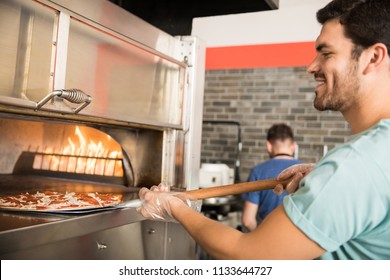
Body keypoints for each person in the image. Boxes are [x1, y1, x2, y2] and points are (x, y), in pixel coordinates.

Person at [137, 0, 390, 260]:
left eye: (326, 53)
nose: (311, 66)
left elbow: (247, 255)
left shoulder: (356, 166)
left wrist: (173, 206)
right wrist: (324, 178)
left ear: (373, 57)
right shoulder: (373, 157)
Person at [241, 123, 302, 231]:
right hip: (298, 242)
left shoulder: (258, 172)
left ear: (269, 145)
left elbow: (247, 220)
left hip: (265, 239)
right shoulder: (305, 172)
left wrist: (260, 236)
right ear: (293, 146)